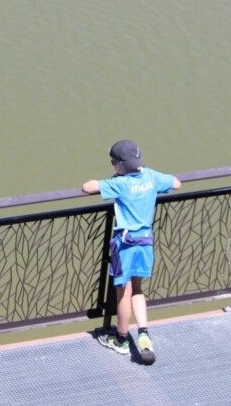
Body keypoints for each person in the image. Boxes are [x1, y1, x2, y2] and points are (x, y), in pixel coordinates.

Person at [82, 140, 181, 363]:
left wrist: (110, 180)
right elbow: (176, 183)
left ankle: (121, 340)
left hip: (125, 244)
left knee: (123, 293)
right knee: (137, 288)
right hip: (145, 242)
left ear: (118, 165)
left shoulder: (120, 184)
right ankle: (144, 334)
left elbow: (87, 187)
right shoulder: (151, 177)